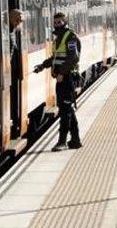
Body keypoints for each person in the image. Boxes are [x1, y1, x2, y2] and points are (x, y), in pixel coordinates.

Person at [34, 12, 82, 151]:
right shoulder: (58, 38)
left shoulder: (70, 37)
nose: (57, 24)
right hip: (61, 79)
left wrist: (62, 73)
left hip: (67, 79)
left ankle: (62, 142)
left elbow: (74, 58)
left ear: (65, 22)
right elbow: (55, 58)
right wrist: (43, 66)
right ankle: (75, 140)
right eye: (55, 22)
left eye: (60, 22)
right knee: (67, 109)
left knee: (65, 111)